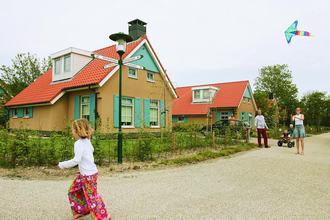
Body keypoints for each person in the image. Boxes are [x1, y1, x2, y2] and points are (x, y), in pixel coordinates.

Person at [58, 119, 111, 220]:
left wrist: (62, 165)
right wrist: (82, 169)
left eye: (73, 129)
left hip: (88, 175)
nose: (72, 131)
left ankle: (103, 216)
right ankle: (81, 210)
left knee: (92, 196)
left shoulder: (78, 143)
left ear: (77, 130)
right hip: (88, 173)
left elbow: (76, 160)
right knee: (73, 190)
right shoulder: (87, 141)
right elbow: (87, 157)